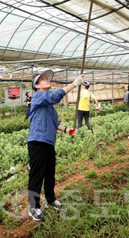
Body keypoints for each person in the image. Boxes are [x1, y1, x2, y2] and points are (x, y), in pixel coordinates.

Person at [27, 70, 84, 221]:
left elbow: (54, 123)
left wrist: (67, 130)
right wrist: (74, 84)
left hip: (48, 142)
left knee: (49, 173)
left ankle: (51, 200)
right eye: (43, 80)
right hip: (37, 142)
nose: (47, 81)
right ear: (37, 86)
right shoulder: (38, 96)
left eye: (47, 79)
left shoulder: (49, 107)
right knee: (37, 174)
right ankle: (34, 207)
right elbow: (55, 96)